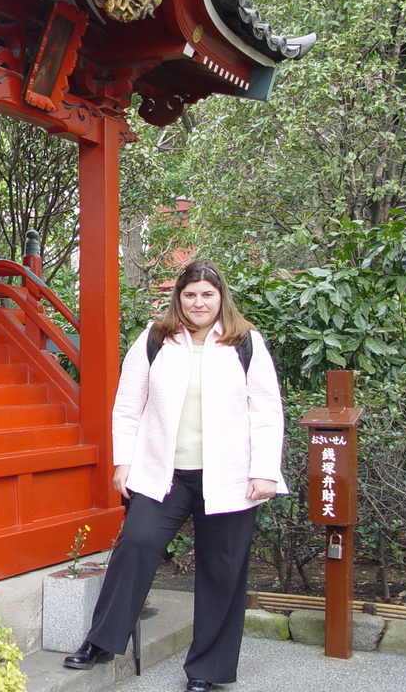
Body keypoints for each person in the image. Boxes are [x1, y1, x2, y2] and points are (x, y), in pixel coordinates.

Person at [63, 259, 286, 692]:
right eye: (190, 294)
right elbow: (128, 407)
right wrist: (123, 462)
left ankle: (208, 670)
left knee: (223, 570)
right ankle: (102, 640)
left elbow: (267, 412)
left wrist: (265, 471)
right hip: (164, 473)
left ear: (221, 298)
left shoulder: (246, 343)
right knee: (136, 545)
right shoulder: (154, 340)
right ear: (178, 298)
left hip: (230, 477)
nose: (198, 302)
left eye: (207, 294)